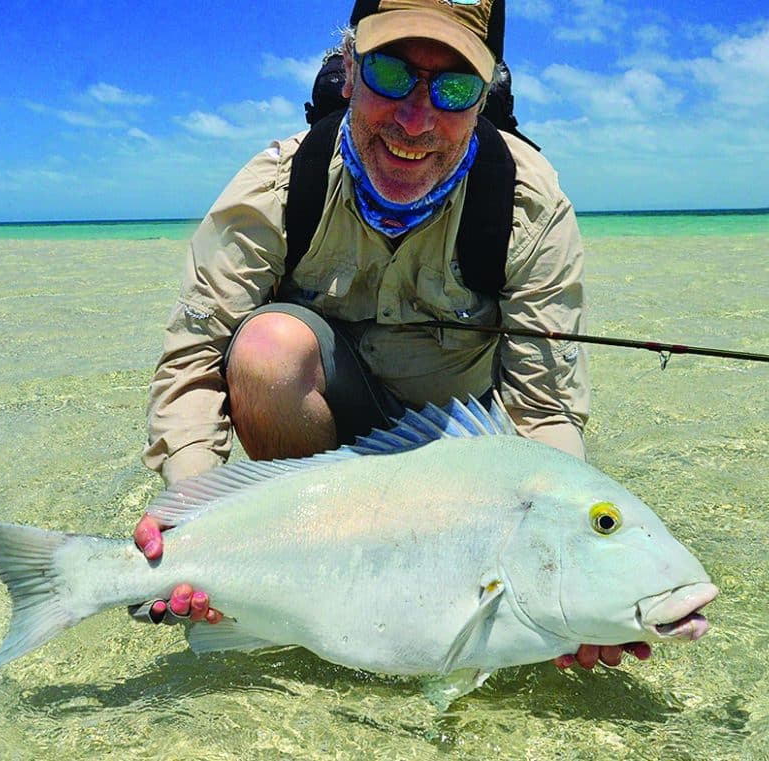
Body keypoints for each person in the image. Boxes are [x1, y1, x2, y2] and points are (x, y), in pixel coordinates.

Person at [133, 0, 650, 671]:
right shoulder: (278, 186)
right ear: (349, 69)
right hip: (319, 453)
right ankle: (297, 578)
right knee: (266, 350)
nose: (415, 120)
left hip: (464, 466)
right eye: (390, 74)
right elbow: (194, 362)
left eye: (455, 87)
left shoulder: (529, 203)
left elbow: (544, 409)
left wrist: (574, 575)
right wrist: (189, 526)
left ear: (485, 93)